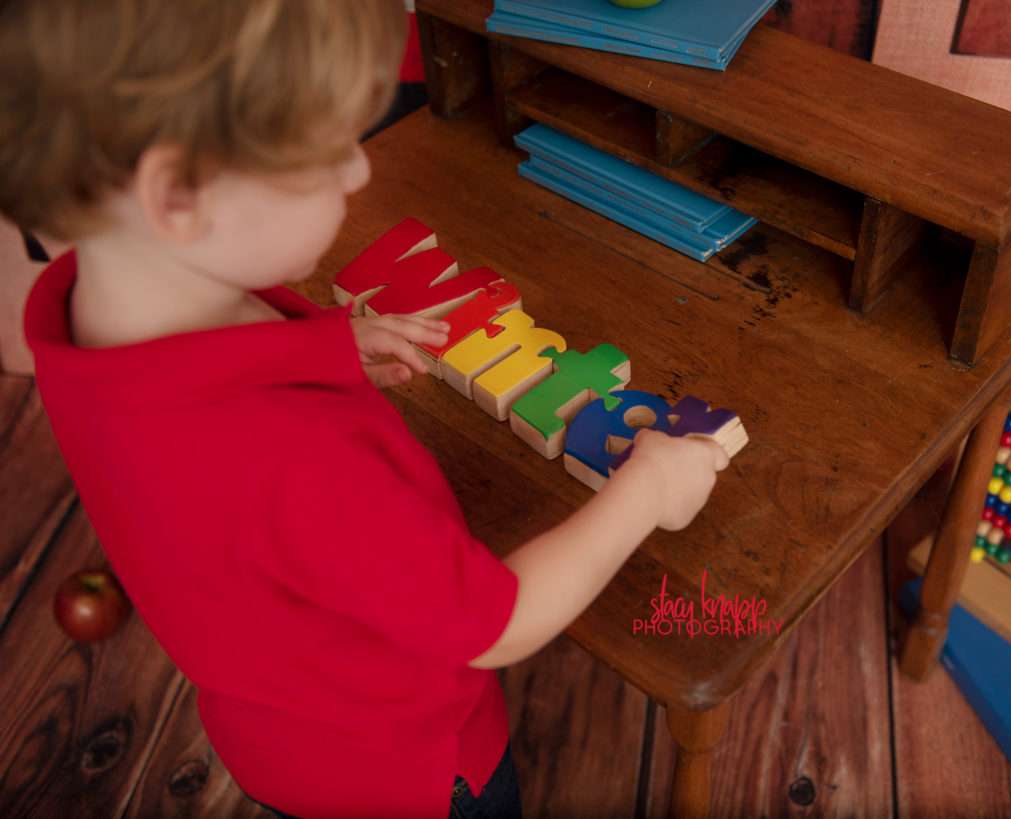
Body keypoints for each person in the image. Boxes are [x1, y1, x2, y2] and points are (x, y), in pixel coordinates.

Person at [1, 1, 729, 816]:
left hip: (269, 733)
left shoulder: (70, 318)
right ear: (177, 196)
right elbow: (503, 624)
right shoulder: (296, 459)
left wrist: (325, 344)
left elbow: (200, 409)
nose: (358, 170)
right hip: (409, 774)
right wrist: (645, 493)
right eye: (325, 151)